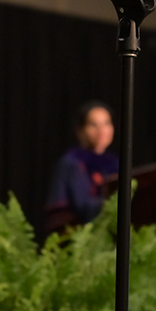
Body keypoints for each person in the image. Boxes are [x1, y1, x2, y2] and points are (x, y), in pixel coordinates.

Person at [44, 100, 118, 233]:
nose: (102, 130)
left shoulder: (114, 163)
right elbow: (82, 206)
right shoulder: (73, 162)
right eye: (93, 124)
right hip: (79, 235)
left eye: (107, 123)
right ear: (80, 130)